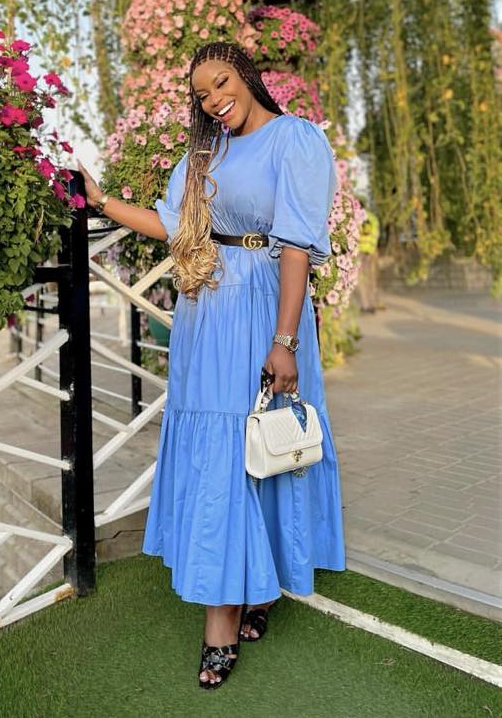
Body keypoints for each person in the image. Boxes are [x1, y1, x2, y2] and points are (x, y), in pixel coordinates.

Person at [78, 41, 346, 690]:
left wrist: (284, 340)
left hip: (265, 308)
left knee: (260, 444)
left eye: (221, 83)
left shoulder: (295, 140)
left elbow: (296, 249)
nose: (213, 100)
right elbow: (176, 225)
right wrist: (100, 201)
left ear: (247, 76)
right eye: (201, 94)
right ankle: (236, 600)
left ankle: (234, 611)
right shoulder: (205, 154)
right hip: (206, 315)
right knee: (220, 452)